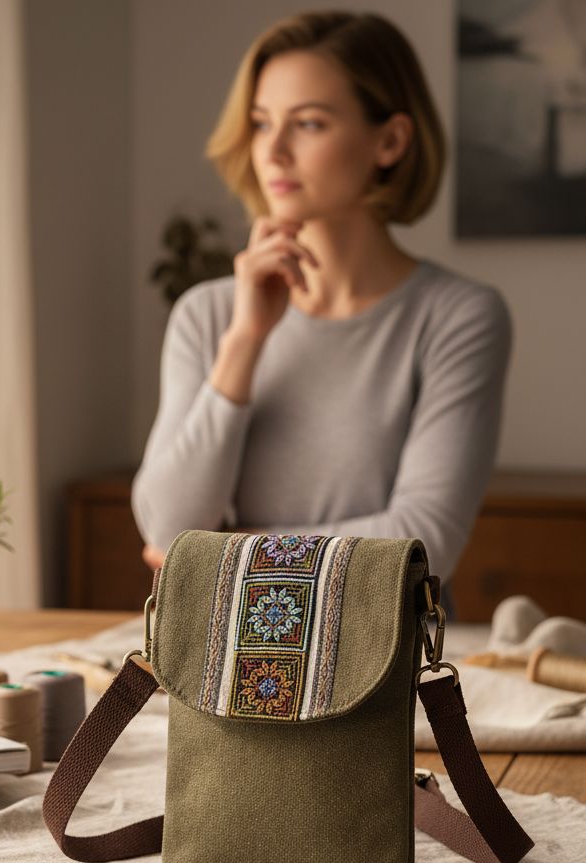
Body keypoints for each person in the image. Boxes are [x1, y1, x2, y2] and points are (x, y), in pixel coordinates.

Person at [131, 10, 512, 607]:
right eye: (260, 124)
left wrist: (224, 557)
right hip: (231, 662)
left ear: (390, 141)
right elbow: (166, 530)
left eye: (308, 123)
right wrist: (246, 340)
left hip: (385, 666)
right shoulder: (206, 316)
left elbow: (426, 543)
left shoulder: (458, 317)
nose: (274, 151)